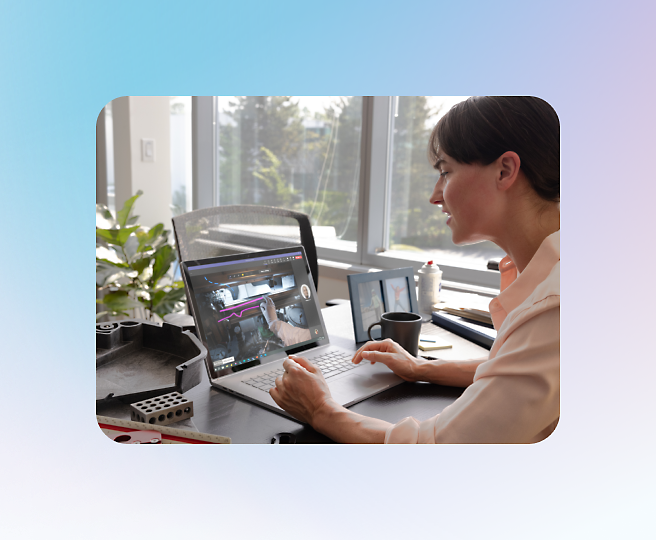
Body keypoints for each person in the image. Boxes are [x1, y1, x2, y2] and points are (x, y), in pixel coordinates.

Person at [269, 96, 560, 444]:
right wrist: (421, 367)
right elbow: (511, 373)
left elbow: (435, 448)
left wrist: (320, 410)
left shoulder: (555, 310)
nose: (435, 196)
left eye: (446, 171)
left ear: (505, 170)